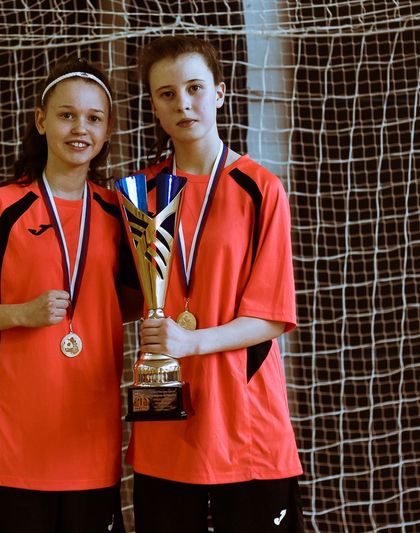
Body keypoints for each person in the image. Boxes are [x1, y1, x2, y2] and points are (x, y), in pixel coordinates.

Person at [0, 57, 136, 533]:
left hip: (90, 442)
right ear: (41, 121)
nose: (80, 128)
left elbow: (133, 300)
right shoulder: (0, 208)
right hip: (12, 446)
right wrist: (22, 313)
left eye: (94, 118)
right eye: (67, 115)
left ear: (107, 130)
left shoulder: (121, 213)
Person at [127, 35, 304, 532]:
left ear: (220, 93)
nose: (182, 103)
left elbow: (271, 317)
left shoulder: (260, 188)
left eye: (194, 88)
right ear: (154, 107)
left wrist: (192, 341)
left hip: (245, 423)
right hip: (165, 414)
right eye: (166, 94)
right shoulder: (138, 195)